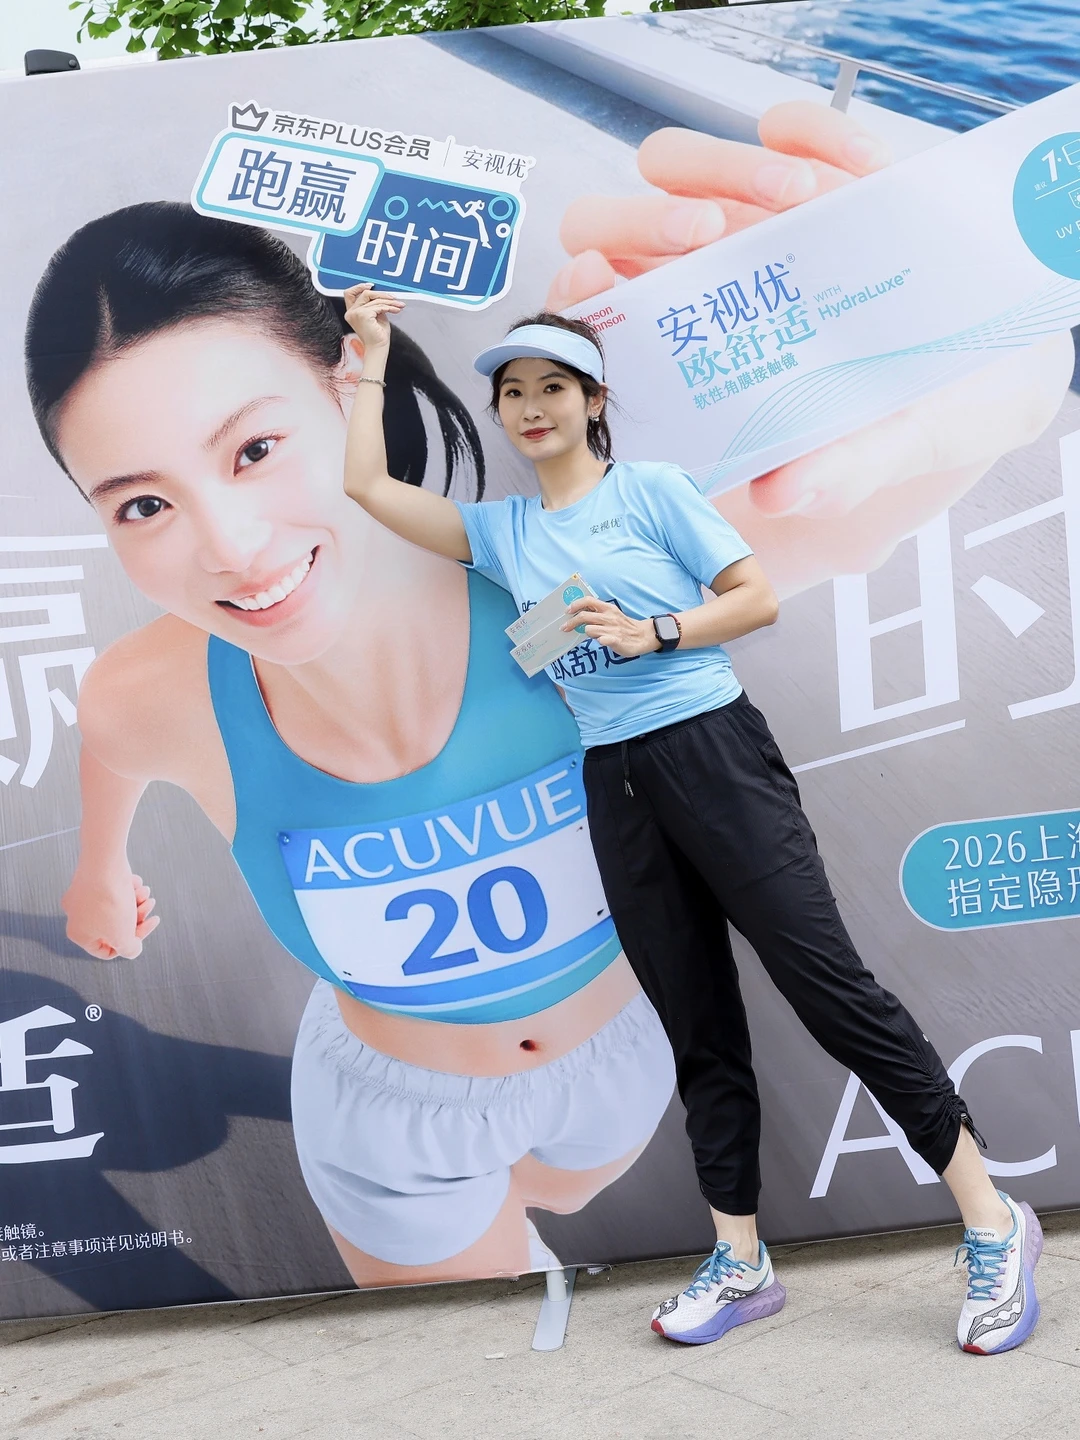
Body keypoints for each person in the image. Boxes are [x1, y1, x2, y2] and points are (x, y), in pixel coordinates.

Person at [340, 288, 1044, 1354]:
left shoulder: (652, 491)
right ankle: (741, 1261)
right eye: (514, 392)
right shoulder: (504, 532)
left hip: (713, 754)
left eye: (552, 387)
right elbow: (364, 487)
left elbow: (754, 596)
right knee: (697, 1026)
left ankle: (992, 1220)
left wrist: (653, 630)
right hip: (615, 782)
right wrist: (370, 358)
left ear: (593, 401)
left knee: (831, 991)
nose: (531, 407)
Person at [26, 202, 676, 1290]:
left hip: (627, 1048)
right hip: (392, 1127)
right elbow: (112, 742)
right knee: (488, 1354)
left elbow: (805, 533)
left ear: (350, 384)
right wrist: (100, 871)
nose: (232, 549)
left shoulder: (545, 591)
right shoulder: (157, 691)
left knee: (561, 1196)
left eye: (254, 450)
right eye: (142, 505)